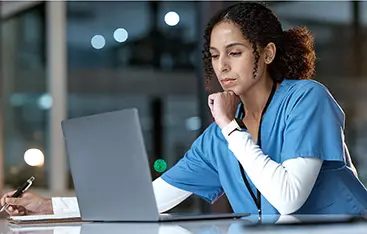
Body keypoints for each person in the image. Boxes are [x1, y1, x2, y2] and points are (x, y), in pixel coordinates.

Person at [2, 2, 367, 216]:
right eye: (214, 56)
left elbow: (288, 200)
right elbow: (150, 200)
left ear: (267, 53)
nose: (222, 66)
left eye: (234, 53)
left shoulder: (306, 99)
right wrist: (49, 206)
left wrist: (228, 125)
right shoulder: (218, 139)